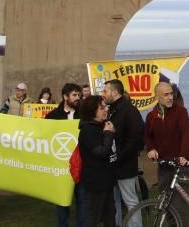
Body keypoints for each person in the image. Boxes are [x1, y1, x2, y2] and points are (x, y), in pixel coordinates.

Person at [145, 80, 189, 216]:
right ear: (157, 97)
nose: (170, 97)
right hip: (164, 165)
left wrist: (183, 155)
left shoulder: (180, 112)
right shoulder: (151, 116)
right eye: (166, 95)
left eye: (171, 94)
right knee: (165, 205)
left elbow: (186, 134)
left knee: (178, 207)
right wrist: (150, 149)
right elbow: (148, 136)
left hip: (181, 165)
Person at [103, 79, 144, 227]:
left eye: (105, 91)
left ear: (114, 92)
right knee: (115, 202)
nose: (103, 94)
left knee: (130, 201)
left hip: (125, 165)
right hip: (113, 165)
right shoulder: (112, 110)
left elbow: (135, 139)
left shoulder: (130, 111)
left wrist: (119, 159)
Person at [79, 95, 117, 226]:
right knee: (93, 217)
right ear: (92, 111)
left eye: (105, 106)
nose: (105, 110)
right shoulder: (88, 130)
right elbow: (101, 152)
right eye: (101, 108)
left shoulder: (101, 126)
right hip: (95, 182)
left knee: (110, 215)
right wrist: (108, 134)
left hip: (106, 180)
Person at [48, 83, 83, 226]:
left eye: (79, 95)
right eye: (74, 95)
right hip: (61, 165)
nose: (77, 98)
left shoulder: (84, 114)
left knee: (82, 199)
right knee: (62, 201)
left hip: (81, 164)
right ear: (65, 96)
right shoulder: (53, 116)